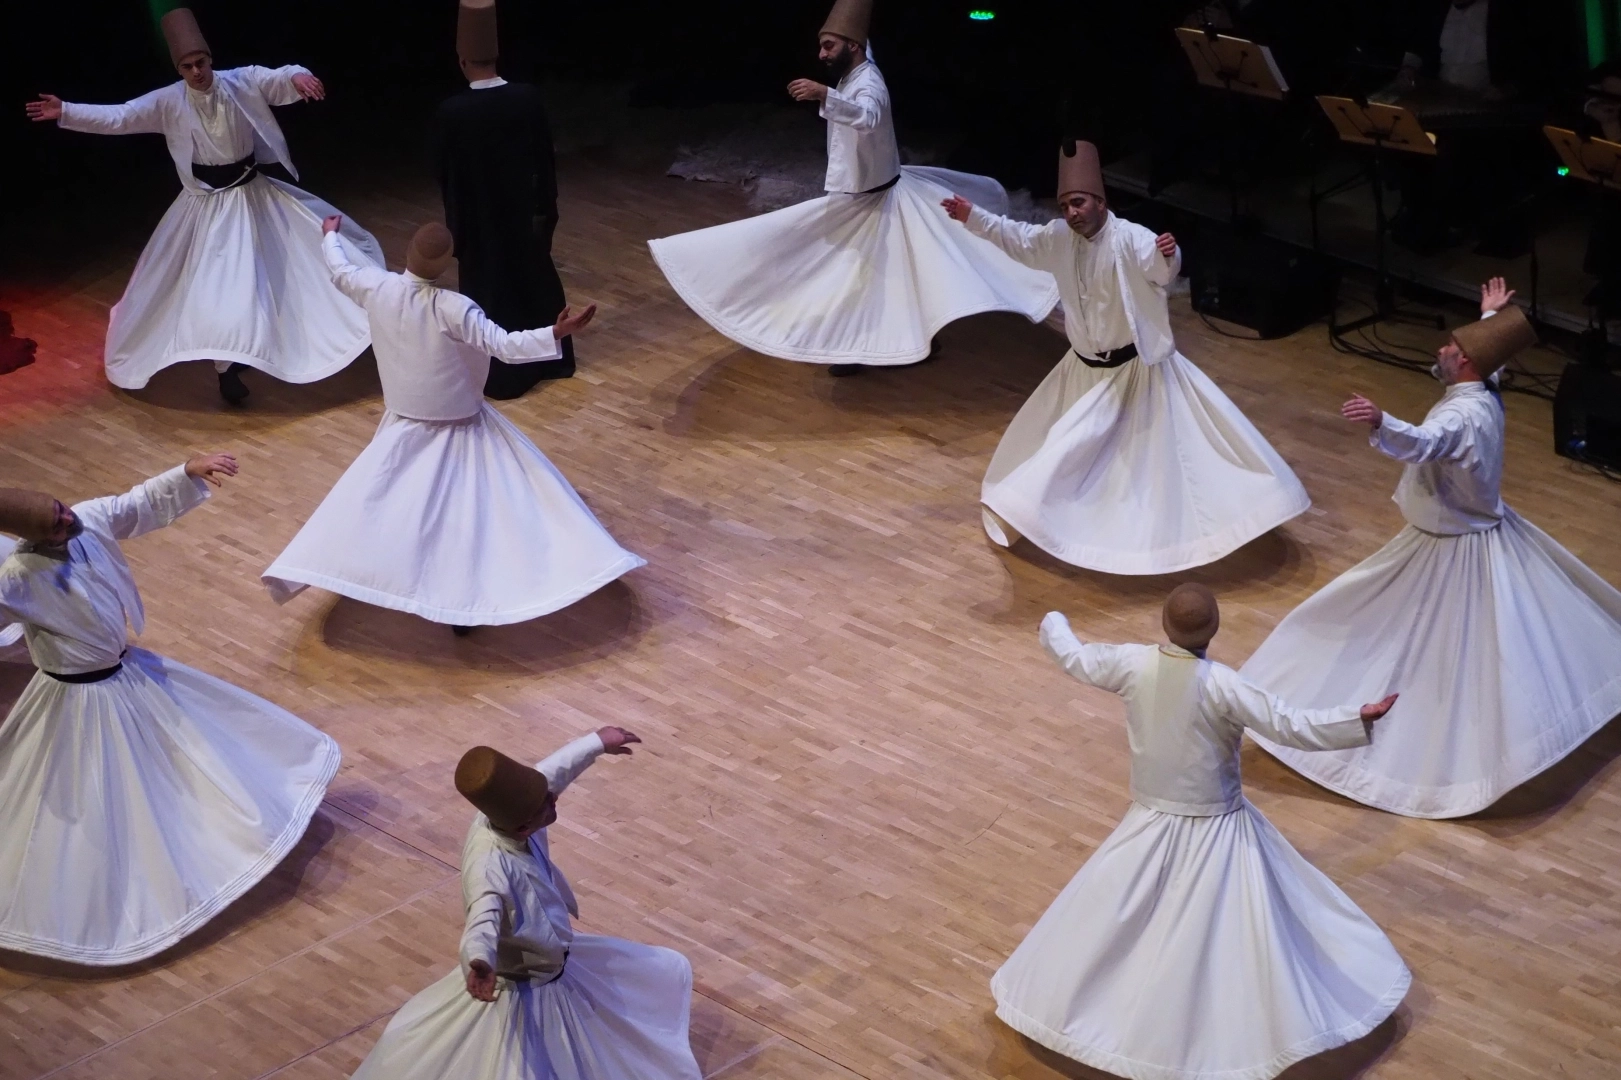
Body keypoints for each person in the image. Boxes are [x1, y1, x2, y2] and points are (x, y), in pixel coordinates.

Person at [1243, 279, 1621, 817]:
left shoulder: (1460, 416)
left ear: (1465, 363)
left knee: (1431, 636)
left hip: (1449, 547)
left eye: (1452, 347)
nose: (1442, 349)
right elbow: (1490, 361)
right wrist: (1491, 318)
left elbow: (1426, 442)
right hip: (1475, 529)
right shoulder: (1484, 388)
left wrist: (1382, 421)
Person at [994, 589, 1409, 1079]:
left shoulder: (1132, 664)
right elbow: (1289, 725)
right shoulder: (1224, 685)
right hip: (1219, 830)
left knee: (1116, 915)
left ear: (1164, 624)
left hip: (1150, 822)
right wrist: (1356, 719)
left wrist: (1053, 622)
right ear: (1214, 628)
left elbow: (1078, 659)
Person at [0, 457, 340, 964]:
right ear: (30, 538)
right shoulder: (16, 578)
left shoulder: (88, 518)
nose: (67, 519)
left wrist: (187, 472)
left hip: (126, 674)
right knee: (98, 793)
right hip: (80, 698)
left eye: (60, 508)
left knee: (185, 755)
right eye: (54, 523)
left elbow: (133, 505)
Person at [941, 142, 1310, 574]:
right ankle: (1044, 516)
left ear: (1100, 202)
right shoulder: (1059, 239)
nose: (1071, 213)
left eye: (1079, 203)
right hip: (1083, 371)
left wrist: (1168, 255)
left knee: (1136, 459)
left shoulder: (1131, 237)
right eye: (1065, 205)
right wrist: (973, 217)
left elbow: (1158, 269)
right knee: (1068, 448)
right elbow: (1018, 238)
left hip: (1133, 372)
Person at [263, 219, 644, 634]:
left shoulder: (377, 287)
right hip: (459, 430)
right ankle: (463, 603)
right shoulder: (454, 308)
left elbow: (340, 271)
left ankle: (392, 571)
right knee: (468, 515)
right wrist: (555, 332)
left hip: (405, 425)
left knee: (390, 502)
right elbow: (504, 347)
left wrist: (330, 236)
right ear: (446, 264)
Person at [647, 0, 1059, 378]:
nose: (822, 54)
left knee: (867, 273)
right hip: (865, 196)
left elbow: (867, 116)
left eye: (829, 46)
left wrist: (824, 94)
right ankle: (888, 342)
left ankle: (871, 345)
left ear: (853, 46)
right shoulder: (856, 71)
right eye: (822, 46)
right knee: (878, 274)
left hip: (876, 198)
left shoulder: (868, 83)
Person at [24, 7, 385, 405]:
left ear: (210, 59)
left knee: (291, 268)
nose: (196, 71)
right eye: (187, 66)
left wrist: (298, 77)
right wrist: (67, 111)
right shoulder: (169, 101)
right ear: (178, 69)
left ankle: (308, 334)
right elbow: (122, 117)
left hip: (252, 194)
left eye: (201, 62)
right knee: (220, 286)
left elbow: (278, 77)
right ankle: (227, 367)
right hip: (208, 205)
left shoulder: (240, 81)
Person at [348, 728, 702, 1080]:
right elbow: (483, 917)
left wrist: (596, 743)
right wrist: (479, 960)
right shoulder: (489, 868)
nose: (554, 798)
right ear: (523, 827)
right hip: (524, 987)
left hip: (556, 967)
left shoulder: (512, 814)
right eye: (546, 803)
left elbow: (549, 774)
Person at [433, 0, 574, 400]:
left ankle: (502, 375)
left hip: (480, 222)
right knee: (534, 283)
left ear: (462, 60)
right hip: (524, 216)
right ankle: (551, 359)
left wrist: (457, 228)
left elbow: (445, 174)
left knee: (491, 297)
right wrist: (546, 212)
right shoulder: (526, 98)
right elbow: (544, 160)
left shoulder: (453, 112)